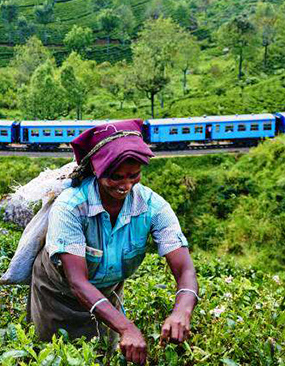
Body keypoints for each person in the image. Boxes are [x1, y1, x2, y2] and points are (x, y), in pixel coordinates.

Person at [29, 120, 198, 365]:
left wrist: (182, 311)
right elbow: (77, 281)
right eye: (115, 177)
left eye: (134, 175)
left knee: (102, 354)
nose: (126, 185)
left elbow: (184, 269)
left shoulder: (153, 207)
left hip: (105, 294)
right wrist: (127, 327)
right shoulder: (71, 207)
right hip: (57, 297)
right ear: (97, 171)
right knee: (55, 356)